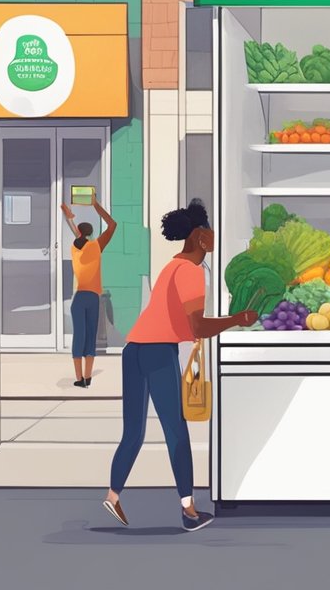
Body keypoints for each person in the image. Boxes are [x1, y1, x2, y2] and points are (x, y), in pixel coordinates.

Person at [103, 199, 257, 532]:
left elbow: (176, 318)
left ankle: (113, 495)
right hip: (158, 352)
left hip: (134, 350)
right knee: (176, 431)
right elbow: (198, 326)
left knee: (133, 432)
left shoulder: (172, 265)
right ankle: (188, 510)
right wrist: (238, 320)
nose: (215, 236)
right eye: (210, 231)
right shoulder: (190, 271)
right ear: (200, 236)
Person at [61, 199, 116, 388]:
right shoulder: (96, 247)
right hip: (94, 298)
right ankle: (88, 377)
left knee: (79, 336)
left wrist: (68, 218)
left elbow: (78, 236)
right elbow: (112, 225)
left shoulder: (75, 249)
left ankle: (79, 379)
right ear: (91, 233)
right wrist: (96, 205)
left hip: (79, 298)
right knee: (91, 336)